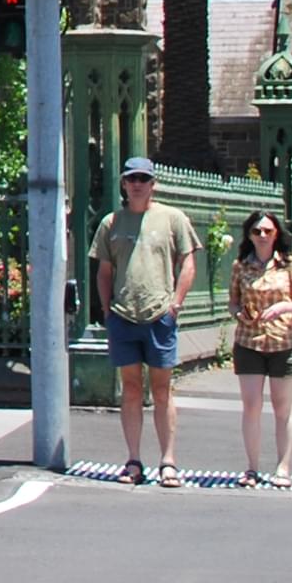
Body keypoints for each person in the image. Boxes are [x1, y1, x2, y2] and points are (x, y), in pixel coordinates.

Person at [91, 156, 200, 487]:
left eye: (143, 178)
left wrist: (175, 305)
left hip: (159, 316)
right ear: (124, 184)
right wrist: (108, 311)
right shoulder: (111, 223)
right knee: (131, 388)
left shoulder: (172, 219)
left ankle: (168, 461)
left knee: (163, 388)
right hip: (124, 316)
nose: (137, 184)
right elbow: (104, 271)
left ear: (153, 184)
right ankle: (133, 460)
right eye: (131, 178)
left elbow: (189, 262)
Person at [229, 209, 292, 488]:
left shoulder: (289, 265)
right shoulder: (241, 265)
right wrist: (239, 313)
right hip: (249, 341)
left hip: (282, 342)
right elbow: (233, 302)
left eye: (268, 231)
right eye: (257, 231)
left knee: (282, 407)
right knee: (251, 406)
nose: (262, 236)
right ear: (249, 235)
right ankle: (251, 468)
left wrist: (283, 307)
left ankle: (283, 467)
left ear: (277, 233)